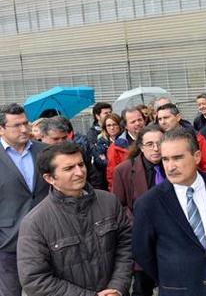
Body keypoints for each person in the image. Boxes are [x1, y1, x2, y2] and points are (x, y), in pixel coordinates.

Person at [17, 141, 133, 296]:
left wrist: (117, 287)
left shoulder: (109, 202)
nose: (79, 172)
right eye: (69, 168)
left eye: (81, 164)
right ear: (50, 178)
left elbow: (126, 246)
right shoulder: (35, 223)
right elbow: (35, 279)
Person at [132, 128, 206, 296]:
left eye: (177, 158)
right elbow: (142, 252)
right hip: (179, 290)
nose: (170, 166)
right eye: (165, 159)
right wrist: (172, 279)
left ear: (197, 156)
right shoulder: (149, 203)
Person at [0, 104, 48, 296]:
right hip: (8, 243)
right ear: (1, 129)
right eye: (16, 125)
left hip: (47, 238)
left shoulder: (44, 152)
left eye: (25, 123)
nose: (24, 129)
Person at [112, 124, 164, 296]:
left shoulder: (173, 164)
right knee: (142, 288)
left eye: (160, 142)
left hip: (171, 240)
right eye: (150, 144)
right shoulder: (124, 170)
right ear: (141, 146)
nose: (156, 148)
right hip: (142, 239)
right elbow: (119, 207)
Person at [156, 103, 206, 172]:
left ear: (178, 117)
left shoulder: (196, 137)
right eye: (160, 119)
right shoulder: (158, 139)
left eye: (166, 118)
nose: (163, 122)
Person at [107, 107, 147, 187]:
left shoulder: (154, 139)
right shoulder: (116, 147)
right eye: (133, 122)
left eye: (140, 120)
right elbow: (112, 176)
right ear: (125, 126)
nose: (138, 123)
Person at [93, 113, 123, 189]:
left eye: (114, 124)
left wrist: (106, 159)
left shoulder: (125, 141)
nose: (112, 128)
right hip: (105, 181)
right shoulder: (101, 142)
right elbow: (98, 162)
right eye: (109, 125)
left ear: (119, 125)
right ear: (105, 127)